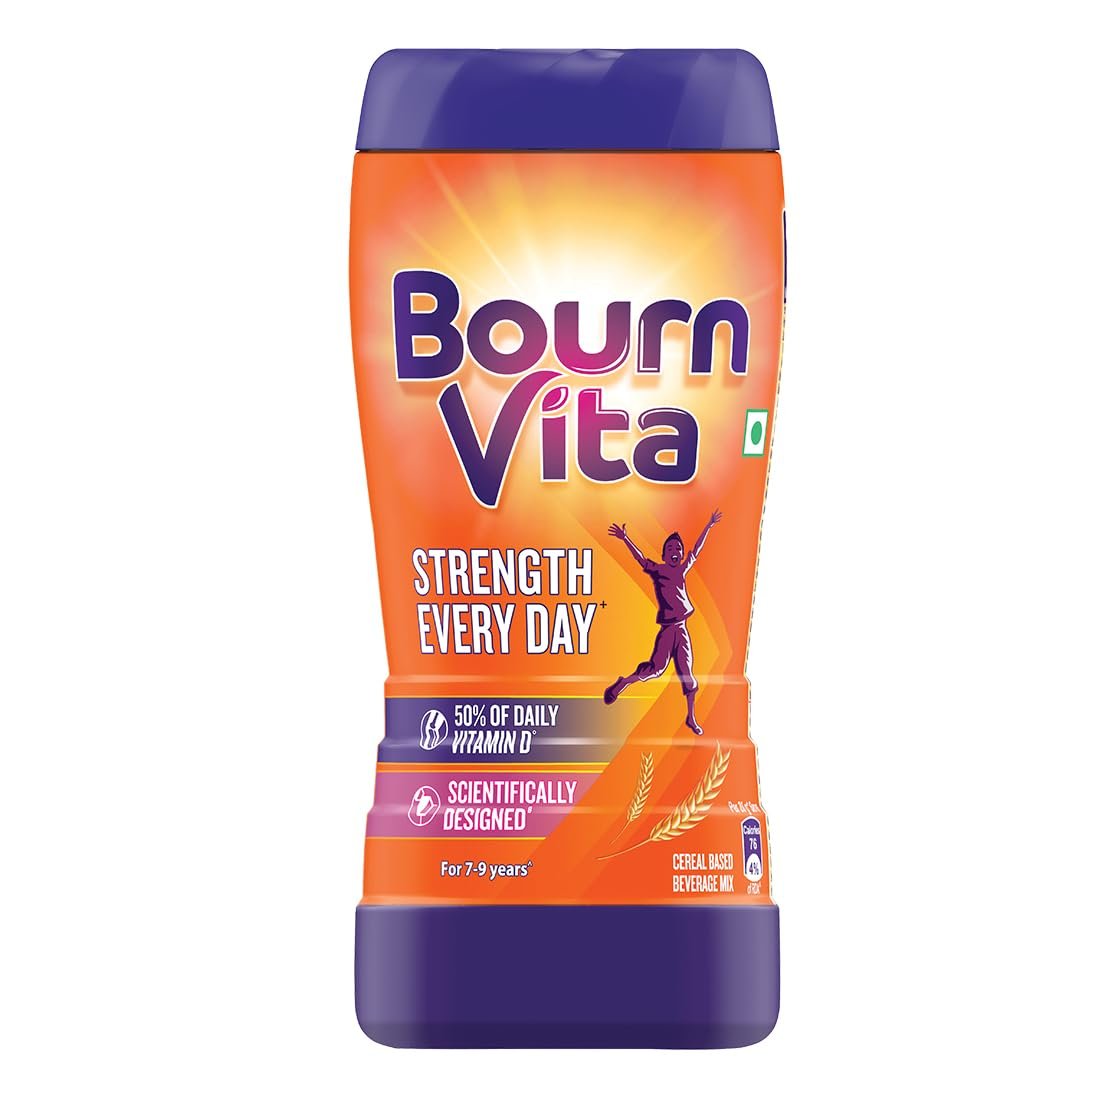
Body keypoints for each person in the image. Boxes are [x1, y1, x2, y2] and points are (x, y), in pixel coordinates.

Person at [604, 510, 722, 735]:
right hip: (668, 631)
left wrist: (709, 525)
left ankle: (691, 718)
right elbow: (640, 559)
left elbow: (697, 549)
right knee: (655, 670)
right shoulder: (658, 570)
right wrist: (625, 538)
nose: (675, 552)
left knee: (687, 674)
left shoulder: (682, 570)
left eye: (678, 549)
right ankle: (624, 682)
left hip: (682, 629)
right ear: (664, 555)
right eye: (670, 549)